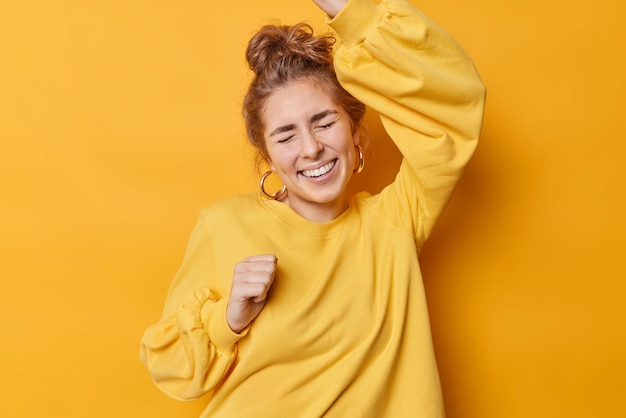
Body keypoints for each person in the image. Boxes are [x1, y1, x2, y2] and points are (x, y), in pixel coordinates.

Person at [140, 0, 485, 416]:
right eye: (285, 136)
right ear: (267, 156)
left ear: (355, 131)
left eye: (324, 122)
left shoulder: (397, 219)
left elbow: (454, 102)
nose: (311, 147)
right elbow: (173, 370)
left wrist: (351, 11)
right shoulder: (224, 224)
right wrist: (227, 319)